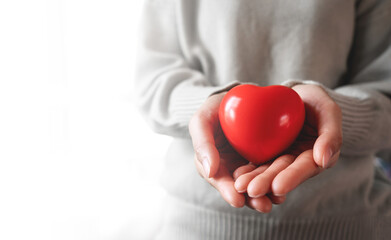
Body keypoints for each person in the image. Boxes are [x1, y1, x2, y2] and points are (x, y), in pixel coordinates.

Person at [133, 0, 391, 239]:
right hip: (195, 226)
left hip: (349, 223)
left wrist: (328, 115)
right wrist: (210, 109)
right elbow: (152, 84)